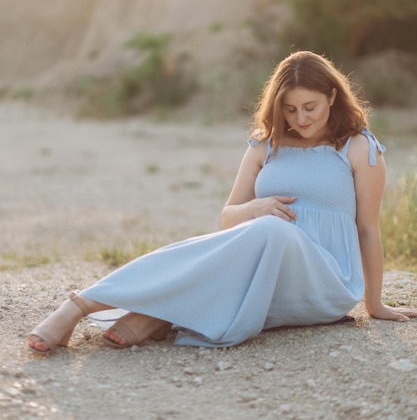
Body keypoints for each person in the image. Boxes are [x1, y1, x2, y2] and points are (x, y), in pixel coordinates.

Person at [27, 50, 417, 355]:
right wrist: (253, 209)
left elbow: (367, 227)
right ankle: (103, 309)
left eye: (310, 107)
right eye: (290, 109)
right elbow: (228, 220)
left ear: (332, 95)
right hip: (262, 272)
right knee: (241, 238)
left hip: (326, 283)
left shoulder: (358, 147)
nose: (300, 118)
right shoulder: (265, 145)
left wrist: (375, 303)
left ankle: (118, 311)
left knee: (271, 231)